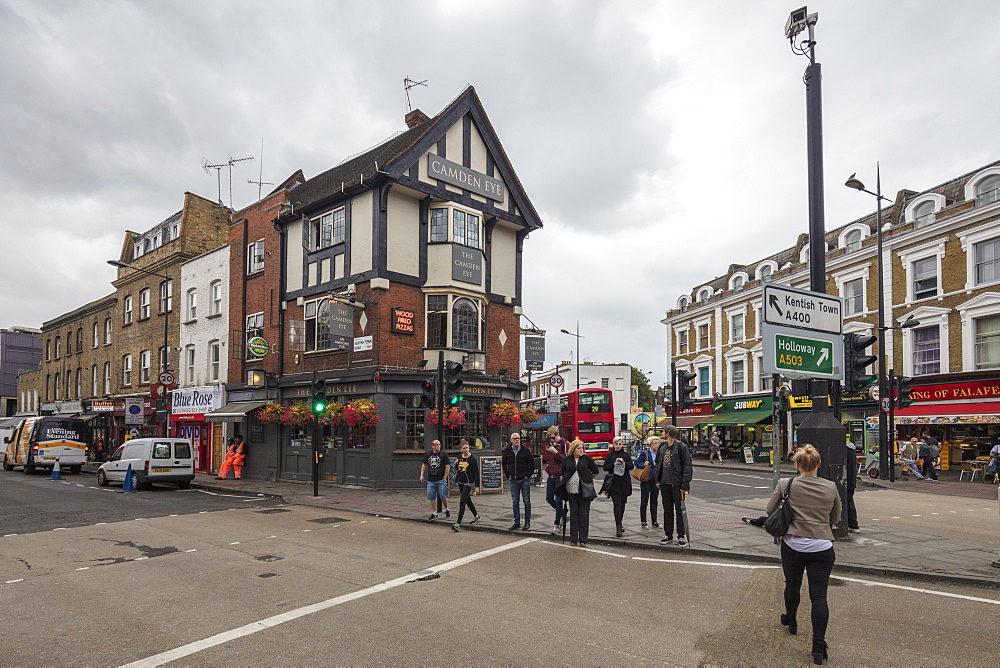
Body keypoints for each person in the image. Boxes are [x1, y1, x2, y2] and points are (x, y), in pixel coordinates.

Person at [767, 444, 841, 666]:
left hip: (793, 544)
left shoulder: (785, 484)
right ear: (819, 464)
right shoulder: (831, 487)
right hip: (822, 547)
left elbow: (770, 510)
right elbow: (836, 519)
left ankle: (792, 622)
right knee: (819, 596)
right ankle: (818, 644)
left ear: (797, 464)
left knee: (792, 584)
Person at [654, 426, 693, 547]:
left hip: (677, 484)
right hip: (664, 484)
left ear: (668, 433)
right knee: (667, 510)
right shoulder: (663, 446)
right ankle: (668, 534)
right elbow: (658, 463)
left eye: (663, 431)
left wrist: (684, 485)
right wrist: (658, 479)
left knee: (679, 510)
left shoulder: (681, 447)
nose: (662, 433)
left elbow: (687, 467)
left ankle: (681, 536)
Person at [561, 439, 600, 546]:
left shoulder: (587, 459)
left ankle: (583, 539)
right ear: (573, 449)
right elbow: (562, 473)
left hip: (584, 492)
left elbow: (595, 471)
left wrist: (587, 478)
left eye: (582, 448)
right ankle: (573, 539)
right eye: (579, 448)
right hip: (571, 491)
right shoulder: (567, 459)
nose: (581, 450)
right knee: (574, 515)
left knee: (584, 515)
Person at [502, 431, 534, 530]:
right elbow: (504, 463)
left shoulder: (525, 450)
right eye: (515, 438)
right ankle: (517, 522)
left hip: (524, 479)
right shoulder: (507, 451)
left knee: (526, 501)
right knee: (515, 501)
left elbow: (532, 464)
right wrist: (508, 475)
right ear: (511, 440)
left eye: (518, 438)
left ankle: (527, 522)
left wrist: (527, 475)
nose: (517, 440)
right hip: (513, 480)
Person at [603, 436, 634, 537]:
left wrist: (623, 462)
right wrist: (614, 463)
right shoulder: (610, 455)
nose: (618, 446)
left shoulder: (626, 455)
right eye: (616, 444)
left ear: (622, 445)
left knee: (622, 503)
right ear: (613, 445)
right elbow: (605, 467)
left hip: (624, 482)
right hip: (614, 483)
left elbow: (631, 466)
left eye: (620, 444)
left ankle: (620, 522)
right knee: (617, 504)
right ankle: (618, 526)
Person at [542, 426, 568, 534]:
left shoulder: (565, 444)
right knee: (549, 498)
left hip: (559, 477)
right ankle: (563, 514)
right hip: (551, 476)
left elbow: (566, 460)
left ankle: (556, 524)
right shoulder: (553, 445)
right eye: (549, 439)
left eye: (553, 438)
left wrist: (556, 452)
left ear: (558, 435)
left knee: (558, 500)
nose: (551, 441)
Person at [452, 440, 481, 531]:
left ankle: (458, 523)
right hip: (460, 480)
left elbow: (476, 473)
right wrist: (456, 464)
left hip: (468, 482)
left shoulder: (472, 459)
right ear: (461, 449)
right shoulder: (460, 457)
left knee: (462, 501)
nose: (465, 450)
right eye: (464, 448)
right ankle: (476, 516)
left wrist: (477, 486)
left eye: (467, 448)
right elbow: (458, 468)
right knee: (467, 500)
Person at [420, 440, 451, 521]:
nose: (438, 446)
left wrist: (445, 478)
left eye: (439, 444)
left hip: (440, 479)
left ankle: (447, 509)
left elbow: (447, 467)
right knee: (432, 497)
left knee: (443, 496)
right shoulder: (428, 454)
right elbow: (424, 465)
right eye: (436, 445)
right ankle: (434, 513)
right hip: (431, 480)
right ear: (432, 446)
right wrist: (421, 475)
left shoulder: (444, 454)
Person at [634, 437, 660, 529]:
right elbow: (636, 463)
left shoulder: (660, 454)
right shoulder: (645, 453)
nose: (656, 445)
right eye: (654, 443)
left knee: (654, 500)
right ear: (650, 445)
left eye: (658, 443)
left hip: (656, 480)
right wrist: (643, 464)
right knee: (644, 501)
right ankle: (643, 521)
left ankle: (654, 521)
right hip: (646, 479)